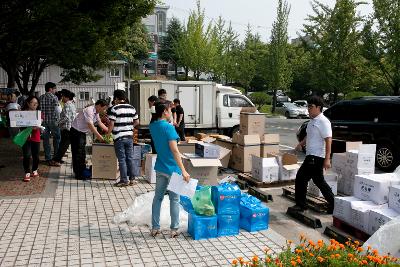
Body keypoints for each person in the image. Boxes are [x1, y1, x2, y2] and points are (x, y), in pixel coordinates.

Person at [149, 102, 190, 238]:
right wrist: (183, 170)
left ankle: (155, 228)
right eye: (169, 111)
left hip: (160, 166)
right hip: (173, 169)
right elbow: (174, 150)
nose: (171, 114)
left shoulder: (153, 126)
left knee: (158, 198)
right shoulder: (169, 128)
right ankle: (174, 229)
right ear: (164, 112)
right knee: (174, 199)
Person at [293, 95, 335, 213]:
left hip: (316, 157)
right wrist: (301, 143)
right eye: (308, 106)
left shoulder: (323, 121)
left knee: (301, 178)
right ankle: (333, 204)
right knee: (319, 181)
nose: (308, 109)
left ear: (318, 107)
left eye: (311, 107)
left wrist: (327, 159)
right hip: (311, 155)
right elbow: (309, 135)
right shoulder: (312, 121)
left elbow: (328, 140)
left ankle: (301, 205)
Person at [107, 90, 139, 187]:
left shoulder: (114, 109)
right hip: (129, 136)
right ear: (124, 98)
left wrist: (108, 134)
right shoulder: (132, 108)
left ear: (116, 98)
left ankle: (124, 180)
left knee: (121, 159)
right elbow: (137, 122)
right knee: (130, 158)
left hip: (119, 137)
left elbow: (112, 123)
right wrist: (129, 127)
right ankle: (132, 179)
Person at [70, 99, 108, 180]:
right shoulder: (89, 110)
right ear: (98, 106)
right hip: (76, 132)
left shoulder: (96, 112)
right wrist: (99, 136)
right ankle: (78, 174)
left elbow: (99, 123)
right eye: (103, 108)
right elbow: (90, 125)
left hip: (82, 132)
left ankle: (82, 170)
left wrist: (109, 131)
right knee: (78, 153)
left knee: (82, 152)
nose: (104, 111)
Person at [50, 90, 76, 166]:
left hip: (66, 128)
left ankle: (56, 160)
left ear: (67, 97)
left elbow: (66, 118)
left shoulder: (67, 105)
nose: (62, 98)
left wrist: (58, 123)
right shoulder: (72, 104)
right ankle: (58, 159)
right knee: (64, 145)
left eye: (63, 96)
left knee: (63, 145)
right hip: (70, 128)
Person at [39, 82, 61, 164]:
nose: (55, 90)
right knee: (57, 138)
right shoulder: (54, 97)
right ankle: (56, 157)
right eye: (54, 88)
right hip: (53, 121)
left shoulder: (41, 97)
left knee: (46, 140)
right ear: (50, 89)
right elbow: (58, 111)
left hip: (43, 121)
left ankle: (48, 158)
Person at [20, 96, 41, 182]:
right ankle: (27, 173)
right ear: (28, 103)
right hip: (26, 137)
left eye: (36, 103)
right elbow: (19, 124)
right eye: (33, 102)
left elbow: (39, 124)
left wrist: (37, 127)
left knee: (36, 156)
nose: (35, 104)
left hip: (36, 137)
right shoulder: (22, 113)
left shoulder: (39, 113)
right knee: (27, 155)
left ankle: (34, 170)